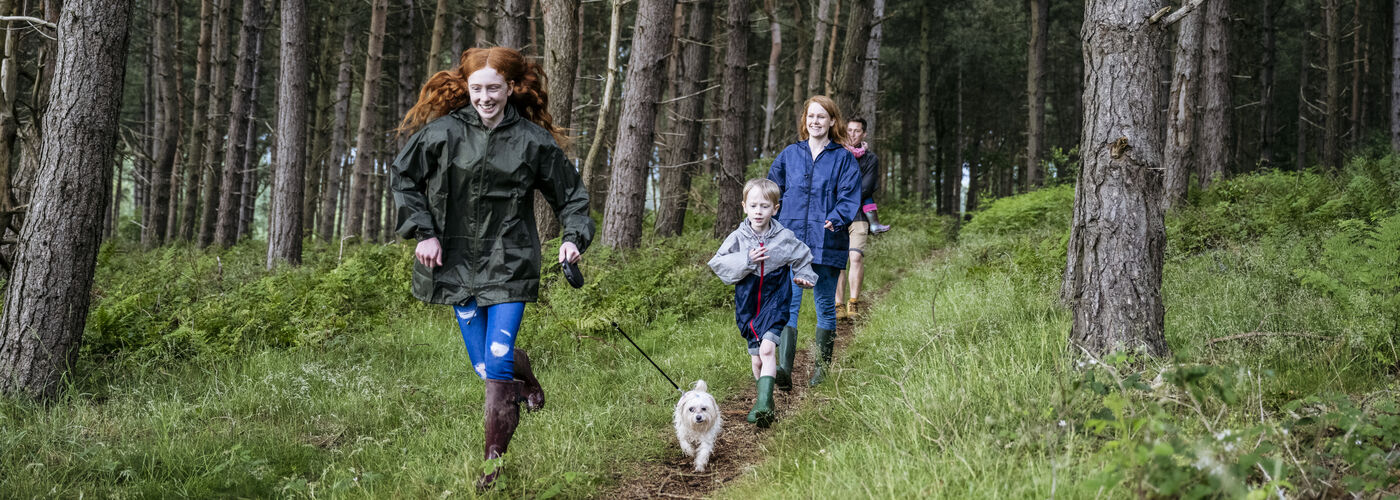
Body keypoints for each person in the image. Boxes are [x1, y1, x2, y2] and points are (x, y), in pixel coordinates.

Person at [389, 46, 594, 490]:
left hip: (511, 262)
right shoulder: (441, 133)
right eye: (476, 88)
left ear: (512, 88)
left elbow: (572, 198)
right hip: (455, 265)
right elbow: (403, 179)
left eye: (494, 88)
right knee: (486, 369)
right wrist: (423, 231)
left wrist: (572, 240)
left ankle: (491, 467)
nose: (485, 97)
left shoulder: (533, 142)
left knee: (496, 361)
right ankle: (525, 379)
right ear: (467, 87)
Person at [766, 95, 861, 388]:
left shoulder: (843, 158)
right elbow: (773, 188)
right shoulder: (789, 155)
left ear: (832, 121)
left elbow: (849, 195)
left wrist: (838, 216)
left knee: (824, 304)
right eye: (811, 116)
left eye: (822, 117)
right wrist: (768, 214)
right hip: (790, 242)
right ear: (804, 121)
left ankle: (821, 370)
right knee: (787, 305)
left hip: (826, 239)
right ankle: (783, 369)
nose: (815, 121)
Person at [708, 178, 817, 427]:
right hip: (747, 302)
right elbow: (718, 263)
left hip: (776, 296)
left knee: (768, 349)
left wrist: (805, 277)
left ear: (775, 209)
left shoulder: (784, 236)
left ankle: (766, 406)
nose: (759, 211)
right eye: (754, 205)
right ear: (744, 206)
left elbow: (802, 256)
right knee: (757, 359)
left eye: (765, 206)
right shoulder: (737, 237)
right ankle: (764, 398)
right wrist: (747, 259)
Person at [835, 118, 886, 320]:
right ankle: (838, 304)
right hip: (837, 215)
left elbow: (867, 187)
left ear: (864, 134)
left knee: (855, 257)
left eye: (857, 131)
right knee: (839, 261)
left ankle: (853, 302)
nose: (852, 134)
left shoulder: (870, 159)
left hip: (859, 214)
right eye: (849, 130)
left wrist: (844, 192)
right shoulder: (836, 154)